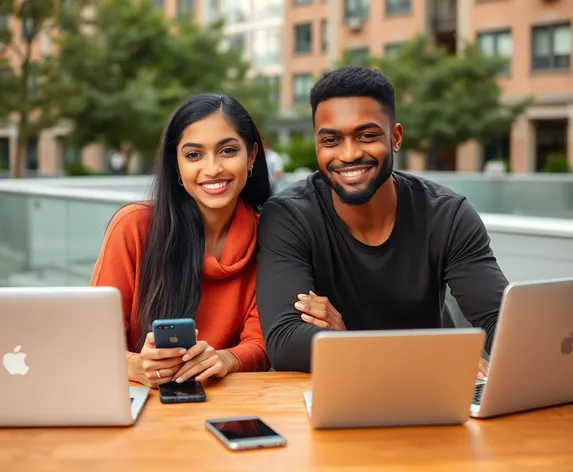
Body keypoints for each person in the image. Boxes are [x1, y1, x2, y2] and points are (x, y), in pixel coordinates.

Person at [255, 66, 509, 375]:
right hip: (337, 395)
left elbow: (501, 323)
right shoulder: (289, 216)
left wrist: (344, 339)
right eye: (331, 140)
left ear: (396, 137)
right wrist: (434, 357)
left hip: (433, 394)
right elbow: (285, 343)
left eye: (366, 135)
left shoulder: (447, 215)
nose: (348, 154)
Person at [91, 93, 271, 388]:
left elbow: (262, 342)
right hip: (142, 403)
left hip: (228, 401)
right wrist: (136, 365)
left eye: (227, 150)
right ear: (176, 164)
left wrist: (227, 359)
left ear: (251, 156)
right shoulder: (134, 227)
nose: (212, 168)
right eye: (193, 155)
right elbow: (92, 338)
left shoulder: (272, 235)